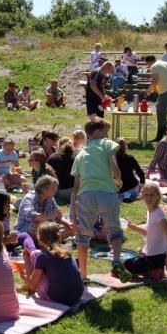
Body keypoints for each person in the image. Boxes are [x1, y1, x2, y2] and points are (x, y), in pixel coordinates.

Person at [70, 117, 129, 282]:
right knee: (115, 230)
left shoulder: (80, 154)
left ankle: (83, 275)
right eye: (105, 131)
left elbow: (75, 188)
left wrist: (73, 216)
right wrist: (118, 179)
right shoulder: (106, 143)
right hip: (107, 193)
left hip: (86, 195)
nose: (107, 134)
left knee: (83, 236)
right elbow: (113, 162)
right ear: (97, 132)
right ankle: (116, 261)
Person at [21, 222, 84, 306]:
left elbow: (32, 286)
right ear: (58, 236)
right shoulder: (67, 253)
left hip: (58, 299)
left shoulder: (41, 256)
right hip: (76, 297)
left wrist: (27, 263)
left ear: (40, 239)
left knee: (35, 257)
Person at [124, 183, 167, 280]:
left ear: (158, 196)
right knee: (127, 264)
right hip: (150, 256)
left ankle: (153, 271)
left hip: (155, 257)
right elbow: (149, 233)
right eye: (146, 195)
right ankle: (152, 270)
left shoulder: (160, 215)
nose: (148, 198)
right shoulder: (150, 212)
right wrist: (134, 227)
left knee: (125, 266)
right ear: (142, 196)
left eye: (152, 195)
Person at [16, 175, 73, 244]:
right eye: (53, 188)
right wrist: (51, 216)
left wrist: (68, 224)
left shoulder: (50, 198)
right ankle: (49, 240)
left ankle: (46, 241)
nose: (56, 190)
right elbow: (32, 216)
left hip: (43, 229)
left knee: (69, 228)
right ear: (43, 189)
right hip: (26, 228)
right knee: (38, 224)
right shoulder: (29, 198)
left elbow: (58, 216)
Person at [145, 55, 167, 142]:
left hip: (165, 93)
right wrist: (155, 90)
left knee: (161, 116)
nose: (148, 66)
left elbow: (155, 80)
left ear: (149, 62)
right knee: (163, 116)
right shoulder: (165, 63)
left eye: (148, 64)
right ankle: (165, 138)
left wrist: (149, 90)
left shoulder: (154, 66)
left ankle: (165, 138)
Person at [47, 137, 75, 203]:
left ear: (59, 145)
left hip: (56, 191)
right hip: (74, 191)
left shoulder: (52, 157)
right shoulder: (77, 156)